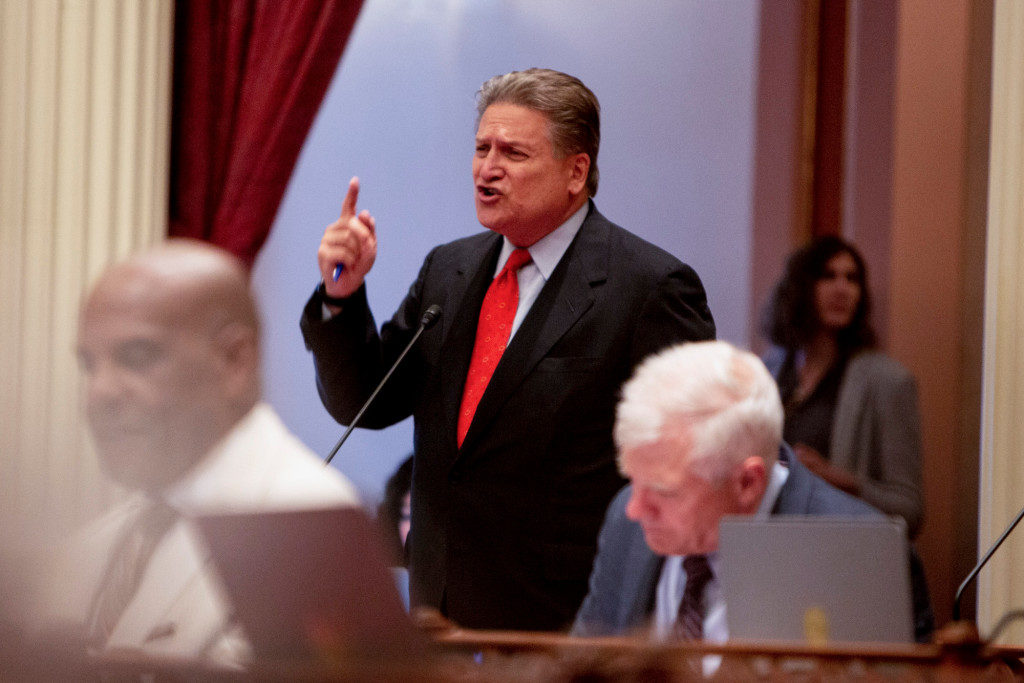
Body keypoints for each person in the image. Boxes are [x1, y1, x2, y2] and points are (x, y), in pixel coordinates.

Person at [300, 68, 716, 630]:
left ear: (576, 171)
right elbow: (365, 402)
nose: (487, 168)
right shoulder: (450, 269)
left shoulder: (649, 287)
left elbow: (689, 459)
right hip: (439, 611)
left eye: (513, 153)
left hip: (567, 621)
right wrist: (341, 299)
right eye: (481, 148)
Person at [35, 240, 360, 666]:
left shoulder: (311, 532)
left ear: (234, 361)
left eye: (136, 357)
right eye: (89, 365)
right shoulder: (92, 545)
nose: (99, 394)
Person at [572, 341, 933, 643]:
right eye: (633, 479)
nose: (636, 508)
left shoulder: (862, 556)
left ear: (747, 483)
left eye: (663, 491)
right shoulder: (626, 521)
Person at [761, 236, 923, 535]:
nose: (843, 289)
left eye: (852, 279)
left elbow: (909, 510)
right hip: (770, 545)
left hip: (840, 552)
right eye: (828, 276)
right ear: (799, 288)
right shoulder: (766, 372)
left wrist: (836, 479)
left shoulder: (888, 382)